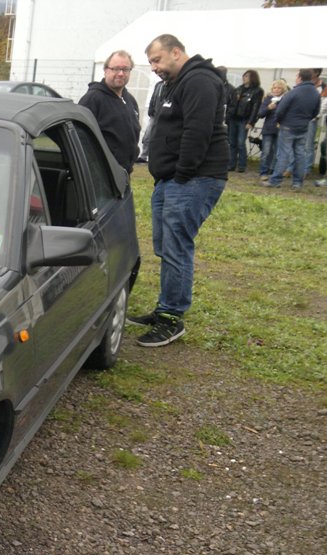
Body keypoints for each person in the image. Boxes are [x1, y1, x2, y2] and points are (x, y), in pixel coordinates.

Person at [129, 34, 227, 348]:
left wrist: (182, 172)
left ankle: (171, 318)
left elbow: (197, 132)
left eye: (157, 60)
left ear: (175, 52)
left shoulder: (198, 81)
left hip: (193, 179)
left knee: (176, 247)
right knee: (165, 245)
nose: (154, 68)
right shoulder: (175, 83)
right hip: (170, 179)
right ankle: (165, 307)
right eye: (151, 63)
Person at [79, 50, 142, 174]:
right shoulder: (93, 99)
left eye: (125, 69)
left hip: (124, 173)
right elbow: (80, 137)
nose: (120, 74)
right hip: (101, 174)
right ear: (106, 70)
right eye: (116, 69)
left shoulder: (130, 100)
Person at [261, 69, 321, 190]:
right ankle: (297, 183)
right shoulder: (315, 93)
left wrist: (279, 121)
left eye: (296, 76)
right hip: (303, 127)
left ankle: (275, 180)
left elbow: (280, 110)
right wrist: (305, 120)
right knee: (300, 155)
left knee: (283, 154)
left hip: (288, 126)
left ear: (300, 78)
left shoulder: (294, 92)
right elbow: (316, 111)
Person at [227, 70, 263, 172]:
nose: (244, 77)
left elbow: (256, 108)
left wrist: (251, 122)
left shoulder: (257, 91)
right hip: (234, 118)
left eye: (247, 76)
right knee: (232, 142)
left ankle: (242, 165)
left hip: (244, 119)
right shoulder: (238, 89)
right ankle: (231, 164)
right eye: (244, 76)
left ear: (253, 78)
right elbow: (232, 103)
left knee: (240, 143)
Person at [257, 79, 289, 180]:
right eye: (275, 87)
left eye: (279, 88)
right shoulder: (268, 99)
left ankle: (273, 172)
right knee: (266, 151)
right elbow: (260, 114)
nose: (277, 90)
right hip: (268, 129)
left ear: (283, 89)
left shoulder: (286, 99)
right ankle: (263, 172)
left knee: (277, 152)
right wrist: (268, 108)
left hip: (281, 129)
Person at [138, 80, 167, 162]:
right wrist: (151, 109)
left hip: (164, 116)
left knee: (161, 138)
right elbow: (153, 97)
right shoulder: (158, 84)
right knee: (147, 136)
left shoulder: (172, 85)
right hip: (154, 115)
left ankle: (156, 158)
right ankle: (143, 156)